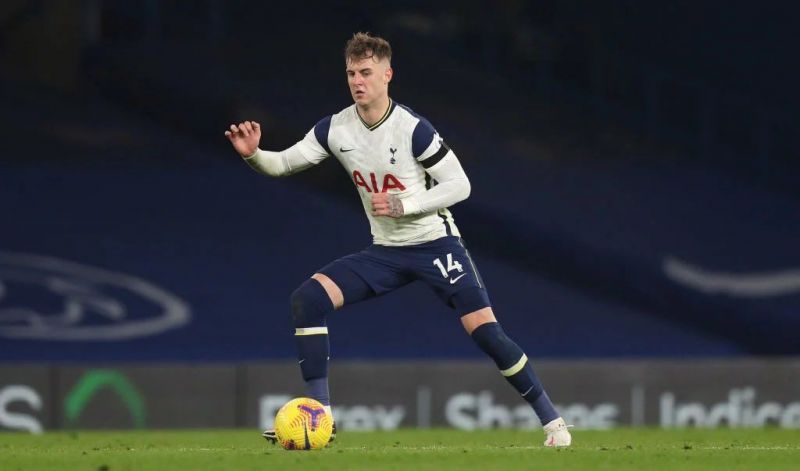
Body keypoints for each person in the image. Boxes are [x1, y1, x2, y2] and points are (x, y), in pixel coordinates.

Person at [225, 32, 572, 447]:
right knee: (308, 300)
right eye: (351, 73)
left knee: (485, 332)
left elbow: (460, 185)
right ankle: (321, 416)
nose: (357, 81)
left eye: (367, 72)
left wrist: (405, 206)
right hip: (386, 252)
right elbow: (282, 164)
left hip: (435, 245)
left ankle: (553, 422)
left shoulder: (413, 130)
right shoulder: (336, 128)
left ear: (387, 75)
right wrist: (253, 155)